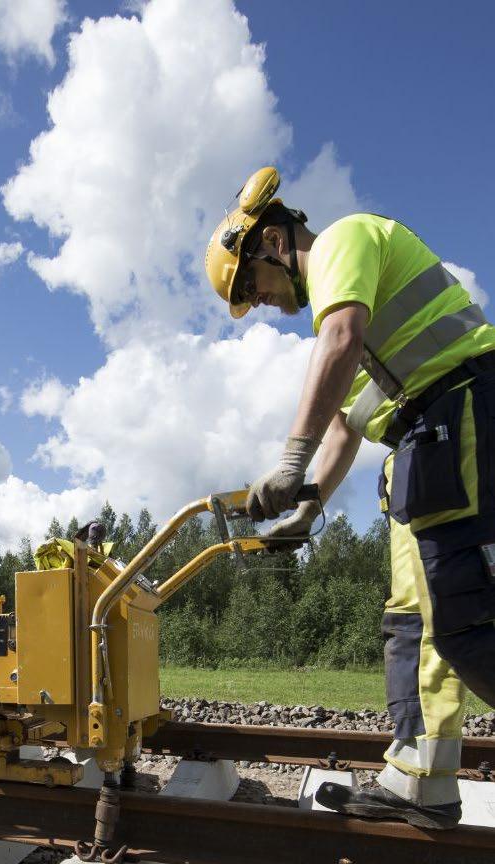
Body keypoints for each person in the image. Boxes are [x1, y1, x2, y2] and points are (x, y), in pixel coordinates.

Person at [205, 168, 495, 829]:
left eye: (255, 285)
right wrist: (306, 511)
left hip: (457, 410)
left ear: (274, 242)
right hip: (422, 438)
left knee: (463, 617)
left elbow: (338, 345)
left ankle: (422, 779)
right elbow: (343, 423)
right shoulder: (356, 325)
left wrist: (289, 462)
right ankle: (422, 779)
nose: (268, 302)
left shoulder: (342, 243)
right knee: (412, 621)